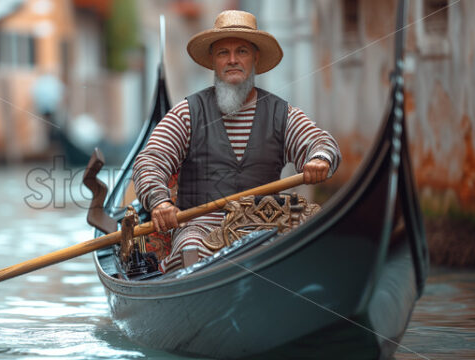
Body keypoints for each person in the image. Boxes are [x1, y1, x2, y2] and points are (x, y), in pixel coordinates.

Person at [131, 10, 342, 273]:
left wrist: (320, 158)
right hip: (201, 228)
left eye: (241, 51)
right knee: (190, 249)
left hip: (266, 226)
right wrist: (160, 201)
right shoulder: (187, 113)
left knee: (309, 241)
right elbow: (150, 161)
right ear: (213, 61)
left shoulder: (281, 114)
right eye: (223, 53)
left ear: (255, 58)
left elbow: (319, 141)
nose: (232, 60)